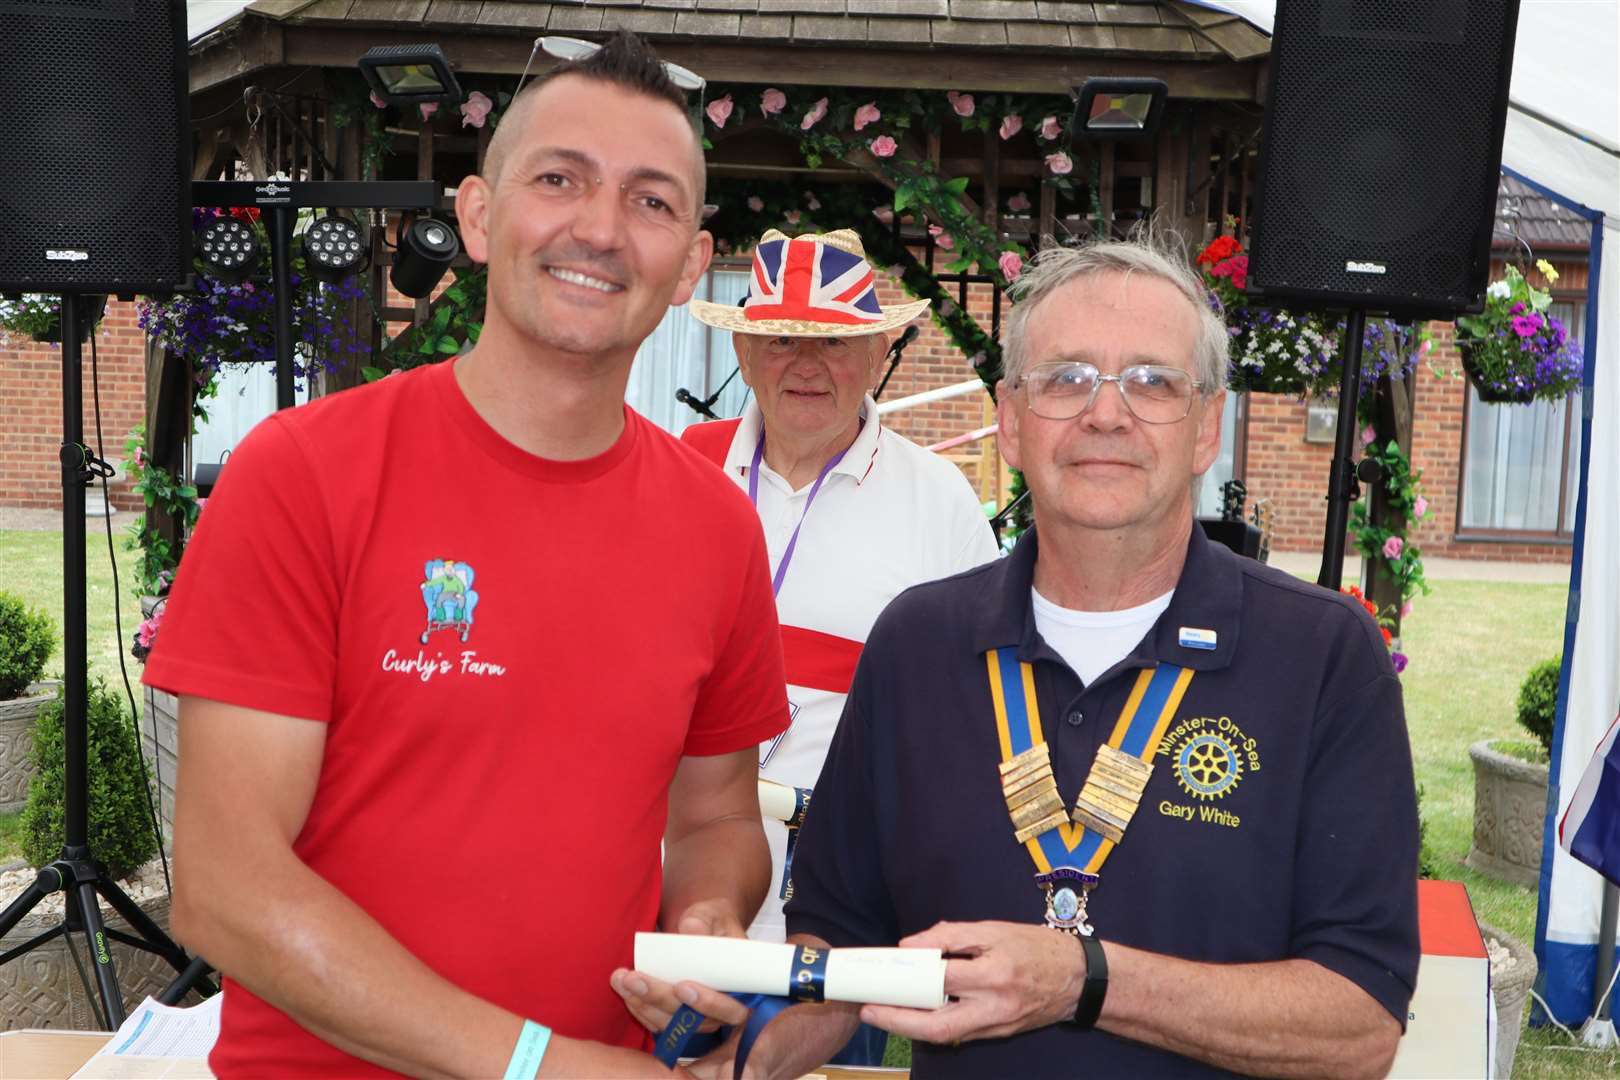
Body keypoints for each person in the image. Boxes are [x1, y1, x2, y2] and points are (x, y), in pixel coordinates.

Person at [621, 235, 1421, 1078]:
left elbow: (1359, 1023)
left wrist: (1084, 981)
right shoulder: (917, 644)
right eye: (1065, 379)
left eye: (1152, 382)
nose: (1105, 414)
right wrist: (743, 1053)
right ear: (1008, 419)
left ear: (1206, 428)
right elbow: (844, 946)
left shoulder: (1324, 655)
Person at [145, 30, 788, 1078]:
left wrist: (709, 916)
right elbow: (225, 885)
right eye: (558, 179)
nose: (600, 229)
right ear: (479, 218)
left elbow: (716, 813)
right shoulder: (306, 475)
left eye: (651, 201)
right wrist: (541, 1066)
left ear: (691, 268)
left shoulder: (715, 525)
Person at [648, 228, 998, 1064]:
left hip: (845, 901)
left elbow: (973, 711)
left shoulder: (940, 502)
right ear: (741, 345)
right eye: (781, 339)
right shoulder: (669, 474)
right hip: (680, 880)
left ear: (880, 350)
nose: (807, 365)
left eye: (835, 343)